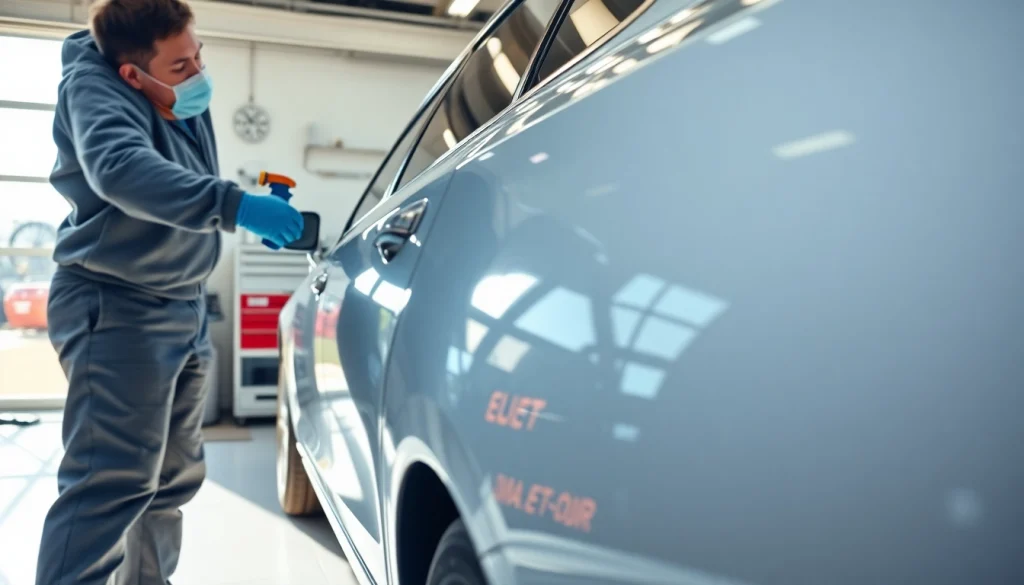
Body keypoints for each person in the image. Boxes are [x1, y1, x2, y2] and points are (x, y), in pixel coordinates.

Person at [36, 1, 302, 583]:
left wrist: (237, 204)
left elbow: (183, 179)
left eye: (198, 55)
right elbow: (121, 169)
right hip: (117, 304)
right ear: (132, 74)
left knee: (170, 482)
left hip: (183, 303)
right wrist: (234, 205)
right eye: (180, 66)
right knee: (111, 485)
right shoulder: (93, 89)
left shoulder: (179, 98)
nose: (198, 73)